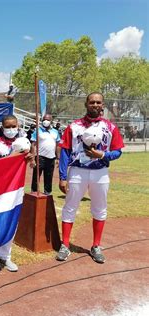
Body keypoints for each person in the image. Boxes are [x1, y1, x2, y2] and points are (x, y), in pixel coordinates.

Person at [56, 92, 124, 264]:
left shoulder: (110, 127)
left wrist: (102, 155)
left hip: (100, 173)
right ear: (86, 104)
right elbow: (65, 151)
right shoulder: (74, 126)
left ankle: (96, 246)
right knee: (70, 207)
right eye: (92, 102)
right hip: (77, 171)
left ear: (103, 105)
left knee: (100, 208)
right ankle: (65, 245)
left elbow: (118, 151)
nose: (95, 105)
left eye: (98, 102)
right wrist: (63, 177)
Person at [0, 115, 34, 273]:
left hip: (15, 189)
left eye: (13, 126)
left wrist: (30, 158)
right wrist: (11, 158)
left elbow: (32, 164)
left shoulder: (24, 142)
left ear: (18, 126)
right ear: (2, 127)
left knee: (12, 221)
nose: (11, 129)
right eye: (7, 126)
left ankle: (5, 256)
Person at [30, 114, 60, 195]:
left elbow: (57, 145)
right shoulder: (37, 130)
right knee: (36, 177)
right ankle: (34, 193)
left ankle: (48, 194)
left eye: (47, 119)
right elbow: (33, 144)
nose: (45, 121)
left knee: (49, 177)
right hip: (40, 157)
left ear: (51, 121)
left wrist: (58, 158)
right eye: (44, 119)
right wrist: (32, 158)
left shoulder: (55, 132)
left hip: (51, 158)